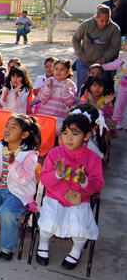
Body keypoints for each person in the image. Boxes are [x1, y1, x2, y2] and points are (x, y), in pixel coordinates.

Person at [35, 111, 105, 270]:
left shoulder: (93, 158)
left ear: (86, 136)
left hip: (80, 199)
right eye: (65, 133)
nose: (69, 138)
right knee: (49, 221)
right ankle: (43, 244)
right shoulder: (54, 153)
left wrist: (85, 181)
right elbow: (45, 180)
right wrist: (58, 175)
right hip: (55, 197)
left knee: (80, 225)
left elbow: (98, 184)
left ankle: (76, 251)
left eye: (75, 134)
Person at [0, 114, 41, 261]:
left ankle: (7, 247)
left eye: (13, 127)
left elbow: (24, 180)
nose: (7, 129)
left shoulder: (29, 155)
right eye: (7, 126)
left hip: (17, 192)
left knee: (7, 213)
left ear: (24, 134)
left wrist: (13, 164)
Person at [72, 5, 121, 86]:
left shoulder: (114, 29)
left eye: (107, 20)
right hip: (84, 62)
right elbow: (75, 39)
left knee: (99, 88)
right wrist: (81, 54)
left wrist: (103, 60)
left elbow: (115, 47)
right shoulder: (86, 25)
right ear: (96, 18)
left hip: (102, 64)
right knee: (82, 88)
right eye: (102, 21)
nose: (104, 23)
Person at [36, 59, 77, 135]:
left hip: (59, 117)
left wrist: (66, 90)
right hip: (43, 114)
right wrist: (48, 88)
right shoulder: (48, 81)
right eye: (56, 69)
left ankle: (59, 145)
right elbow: (42, 98)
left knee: (60, 130)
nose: (58, 72)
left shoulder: (70, 84)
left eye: (62, 69)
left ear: (68, 72)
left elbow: (70, 102)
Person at [103, 40, 127, 130]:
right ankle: (117, 121)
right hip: (123, 85)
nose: (124, 45)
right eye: (125, 43)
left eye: (126, 43)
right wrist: (103, 67)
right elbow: (114, 65)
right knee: (120, 103)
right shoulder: (123, 57)